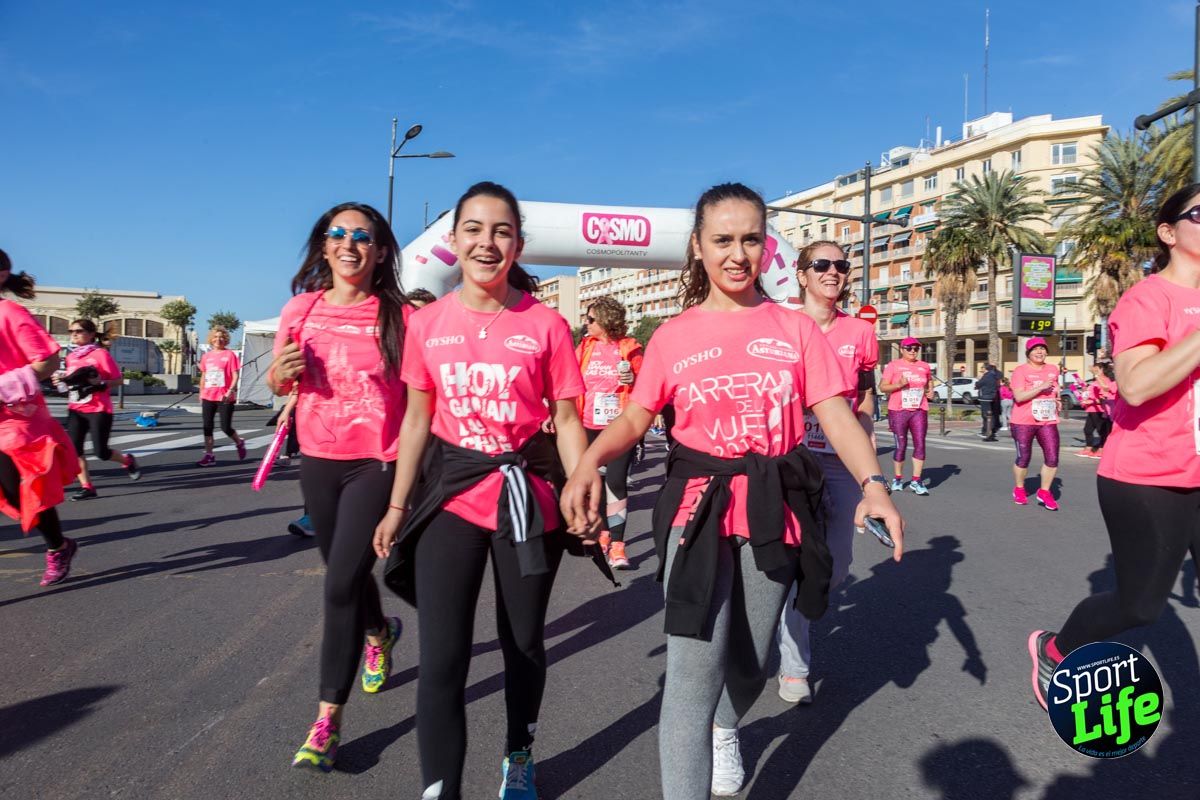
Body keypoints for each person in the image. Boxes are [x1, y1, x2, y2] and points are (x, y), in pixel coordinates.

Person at [560, 183, 905, 800]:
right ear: (698, 246)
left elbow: (834, 412)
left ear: (765, 246)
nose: (737, 254)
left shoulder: (795, 329)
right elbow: (636, 417)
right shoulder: (673, 335)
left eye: (750, 239)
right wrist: (588, 461)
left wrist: (874, 485)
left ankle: (728, 725)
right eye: (722, 240)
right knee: (691, 675)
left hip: (776, 506)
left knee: (750, 663)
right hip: (695, 511)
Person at [372, 182, 591, 800]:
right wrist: (397, 506)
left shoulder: (546, 324)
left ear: (517, 243)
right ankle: (440, 788)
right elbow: (417, 420)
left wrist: (583, 486)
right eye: (473, 229)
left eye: (501, 231)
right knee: (443, 656)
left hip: (525, 499)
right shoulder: (427, 323)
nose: (486, 242)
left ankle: (519, 755)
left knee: (522, 643)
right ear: (454, 239)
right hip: (451, 499)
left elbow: (567, 419)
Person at [1029, 183, 1200, 708]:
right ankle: (1056, 650)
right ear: (1168, 232)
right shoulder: (1149, 298)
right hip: (1150, 477)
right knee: (1140, 607)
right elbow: (1137, 385)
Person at [268, 202, 410, 772]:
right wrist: (280, 375)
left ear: (380, 251)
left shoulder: (400, 316)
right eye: (339, 234)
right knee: (345, 574)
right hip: (319, 459)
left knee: (338, 583)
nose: (350, 244)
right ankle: (379, 631)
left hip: (376, 462)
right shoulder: (300, 309)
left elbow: (421, 400)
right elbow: (280, 382)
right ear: (324, 245)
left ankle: (327, 721)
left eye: (363, 236)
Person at [775, 239, 879, 706]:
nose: (833, 271)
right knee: (786, 558)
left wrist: (868, 457)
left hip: (839, 461)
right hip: (790, 460)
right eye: (821, 264)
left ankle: (788, 619)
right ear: (802, 274)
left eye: (841, 264)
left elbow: (866, 400)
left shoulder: (861, 333)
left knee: (834, 569)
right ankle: (794, 665)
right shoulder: (782, 327)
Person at [0, 248, 81, 586]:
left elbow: (48, 360)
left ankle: (58, 546)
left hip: (15, 418)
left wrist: (5, 385)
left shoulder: (9, 312)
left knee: (22, 492)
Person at [575, 295, 642, 569]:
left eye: (591, 319)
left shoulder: (629, 348)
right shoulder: (584, 347)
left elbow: (646, 386)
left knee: (615, 482)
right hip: (587, 425)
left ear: (605, 320)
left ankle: (617, 545)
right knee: (596, 483)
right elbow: (570, 381)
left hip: (619, 427)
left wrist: (633, 379)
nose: (587, 323)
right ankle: (603, 533)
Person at [59, 319, 140, 499]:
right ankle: (87, 487)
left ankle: (127, 460)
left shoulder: (100, 354)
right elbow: (69, 383)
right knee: (75, 449)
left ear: (91, 334)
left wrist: (100, 383)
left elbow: (118, 380)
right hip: (76, 408)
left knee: (101, 452)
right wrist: (60, 382)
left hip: (98, 409)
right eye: (71, 331)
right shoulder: (71, 356)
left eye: (79, 331)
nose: (74, 334)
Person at [1008, 337, 1061, 510]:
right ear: (1028, 353)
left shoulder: (1053, 369)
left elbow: (1055, 389)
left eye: (1042, 348)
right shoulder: (1020, 371)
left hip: (1047, 419)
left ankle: (1044, 492)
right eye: (1035, 349)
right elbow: (1019, 397)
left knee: (1052, 457)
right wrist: (1040, 387)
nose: (1039, 352)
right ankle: (1019, 488)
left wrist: (1058, 400)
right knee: (1024, 457)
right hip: (1023, 421)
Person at [879, 337, 934, 494]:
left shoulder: (924, 366)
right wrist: (898, 385)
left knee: (920, 444)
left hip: (919, 409)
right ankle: (898, 478)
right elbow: (882, 387)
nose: (913, 351)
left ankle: (916, 481)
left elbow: (929, 381)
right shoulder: (893, 365)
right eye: (909, 348)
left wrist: (930, 391)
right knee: (901, 445)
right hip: (898, 410)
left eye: (916, 348)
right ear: (902, 349)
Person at [196, 326, 247, 466]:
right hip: (208, 395)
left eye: (221, 337)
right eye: (215, 337)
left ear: (226, 340)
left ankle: (239, 442)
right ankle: (209, 455)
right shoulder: (206, 356)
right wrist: (201, 392)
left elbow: (235, 375)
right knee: (207, 426)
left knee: (225, 427)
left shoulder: (230, 355)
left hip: (225, 396)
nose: (218, 339)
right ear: (211, 339)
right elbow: (204, 376)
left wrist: (230, 391)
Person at [975, 363, 1000, 441]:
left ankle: (987, 432)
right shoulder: (994, 375)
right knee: (990, 414)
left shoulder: (987, 376)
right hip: (992, 396)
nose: (981, 369)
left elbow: (979, 384)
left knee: (986, 415)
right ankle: (989, 430)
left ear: (985, 368)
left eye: (982, 367)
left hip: (985, 397)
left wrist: (978, 381)